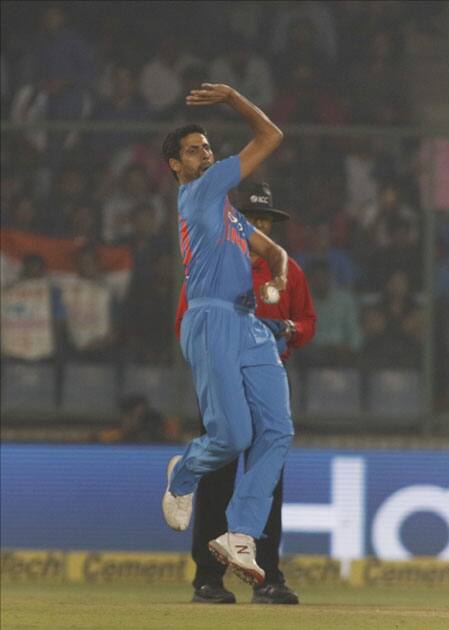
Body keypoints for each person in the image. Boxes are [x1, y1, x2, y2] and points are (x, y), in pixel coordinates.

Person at [161, 83, 293, 588]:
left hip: (248, 325)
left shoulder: (231, 214)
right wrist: (234, 98)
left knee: (277, 430)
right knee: (234, 437)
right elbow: (271, 134)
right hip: (211, 319)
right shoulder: (201, 191)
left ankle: (241, 534)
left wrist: (278, 272)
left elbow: (272, 249)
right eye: (194, 149)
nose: (206, 153)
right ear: (175, 165)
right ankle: (184, 473)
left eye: (208, 147)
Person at [175, 182, 316, 604]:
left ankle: (267, 576)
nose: (261, 227)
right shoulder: (212, 265)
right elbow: (187, 321)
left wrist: (289, 330)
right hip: (223, 379)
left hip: (268, 378)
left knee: (268, 483)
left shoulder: (288, 271)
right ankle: (208, 578)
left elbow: (307, 321)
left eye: (266, 221)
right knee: (218, 482)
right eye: (254, 220)